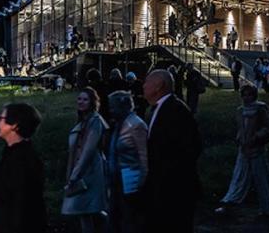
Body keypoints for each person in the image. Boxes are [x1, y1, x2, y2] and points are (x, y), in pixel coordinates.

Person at [143, 70, 201, 233]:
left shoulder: (176, 110)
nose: (143, 85)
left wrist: (167, 175)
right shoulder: (157, 110)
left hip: (175, 189)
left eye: (147, 82)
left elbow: (191, 147)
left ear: (159, 86)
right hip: (162, 186)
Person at [215, 85, 269, 216]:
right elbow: (241, 128)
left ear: (254, 96)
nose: (247, 98)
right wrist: (240, 138)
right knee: (238, 177)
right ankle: (229, 202)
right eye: (244, 95)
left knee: (262, 178)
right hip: (243, 149)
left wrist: (256, 137)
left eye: (249, 95)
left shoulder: (260, 108)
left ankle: (268, 208)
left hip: (257, 149)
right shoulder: (240, 110)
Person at [0, 103, 46, 233]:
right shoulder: (11, 153)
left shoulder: (22, 160)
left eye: (0, 119)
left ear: (14, 125)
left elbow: (21, 205)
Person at [61, 87, 110, 233]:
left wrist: (74, 175)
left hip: (90, 171)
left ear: (92, 102)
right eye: (79, 99)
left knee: (89, 208)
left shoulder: (94, 121)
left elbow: (88, 150)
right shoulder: (83, 120)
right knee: (85, 210)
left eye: (85, 99)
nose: (81, 102)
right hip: (83, 170)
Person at [106, 91, 148, 233]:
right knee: (115, 218)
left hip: (131, 182)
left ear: (123, 107)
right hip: (117, 180)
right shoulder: (119, 125)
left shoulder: (136, 125)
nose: (110, 110)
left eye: (113, 107)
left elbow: (144, 156)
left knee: (129, 219)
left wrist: (141, 182)